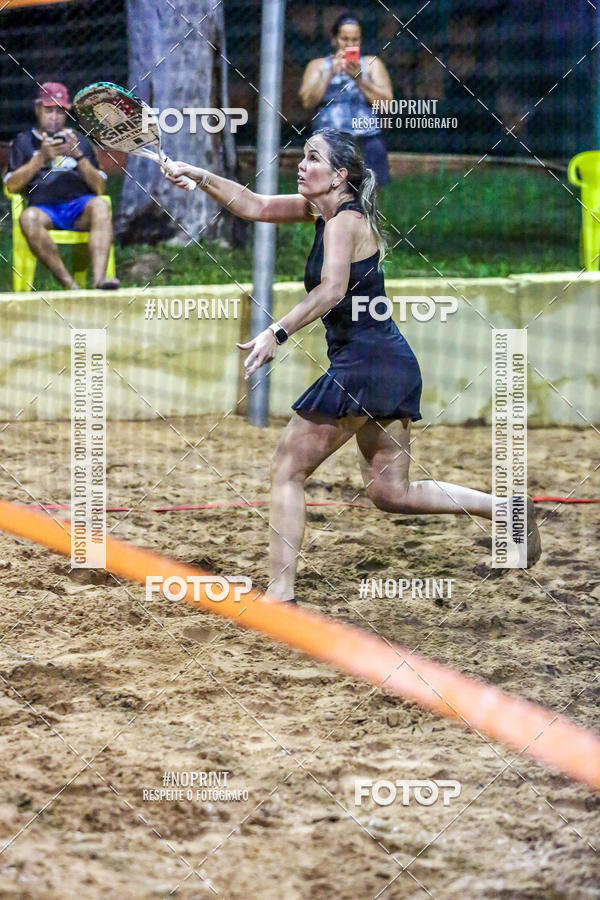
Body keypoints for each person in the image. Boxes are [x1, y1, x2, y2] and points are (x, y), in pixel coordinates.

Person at [165, 128, 542, 602]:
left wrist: (274, 333)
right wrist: (196, 173)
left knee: (286, 469)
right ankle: (508, 510)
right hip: (388, 361)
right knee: (391, 494)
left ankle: (280, 597)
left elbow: (330, 291)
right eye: (302, 157)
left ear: (339, 175)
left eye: (313, 158)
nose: (301, 165)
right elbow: (254, 205)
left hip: (365, 363)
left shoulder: (344, 221)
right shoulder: (322, 211)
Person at [3, 82, 119, 290]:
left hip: (79, 208)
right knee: (27, 218)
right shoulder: (23, 142)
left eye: (60, 111)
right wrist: (40, 158)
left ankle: (100, 281)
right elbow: (11, 186)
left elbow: (101, 188)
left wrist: (79, 157)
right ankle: (70, 285)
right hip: (44, 210)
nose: (54, 117)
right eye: (49, 110)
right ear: (38, 109)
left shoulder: (80, 141)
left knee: (101, 206)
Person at [299, 12, 393, 186]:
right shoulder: (318, 65)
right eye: (345, 39)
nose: (350, 45)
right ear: (335, 40)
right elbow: (307, 101)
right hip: (328, 137)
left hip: (366, 136)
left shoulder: (372, 64)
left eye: (355, 40)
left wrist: (359, 79)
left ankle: (368, 212)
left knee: (369, 188)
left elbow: (387, 104)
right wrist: (329, 74)